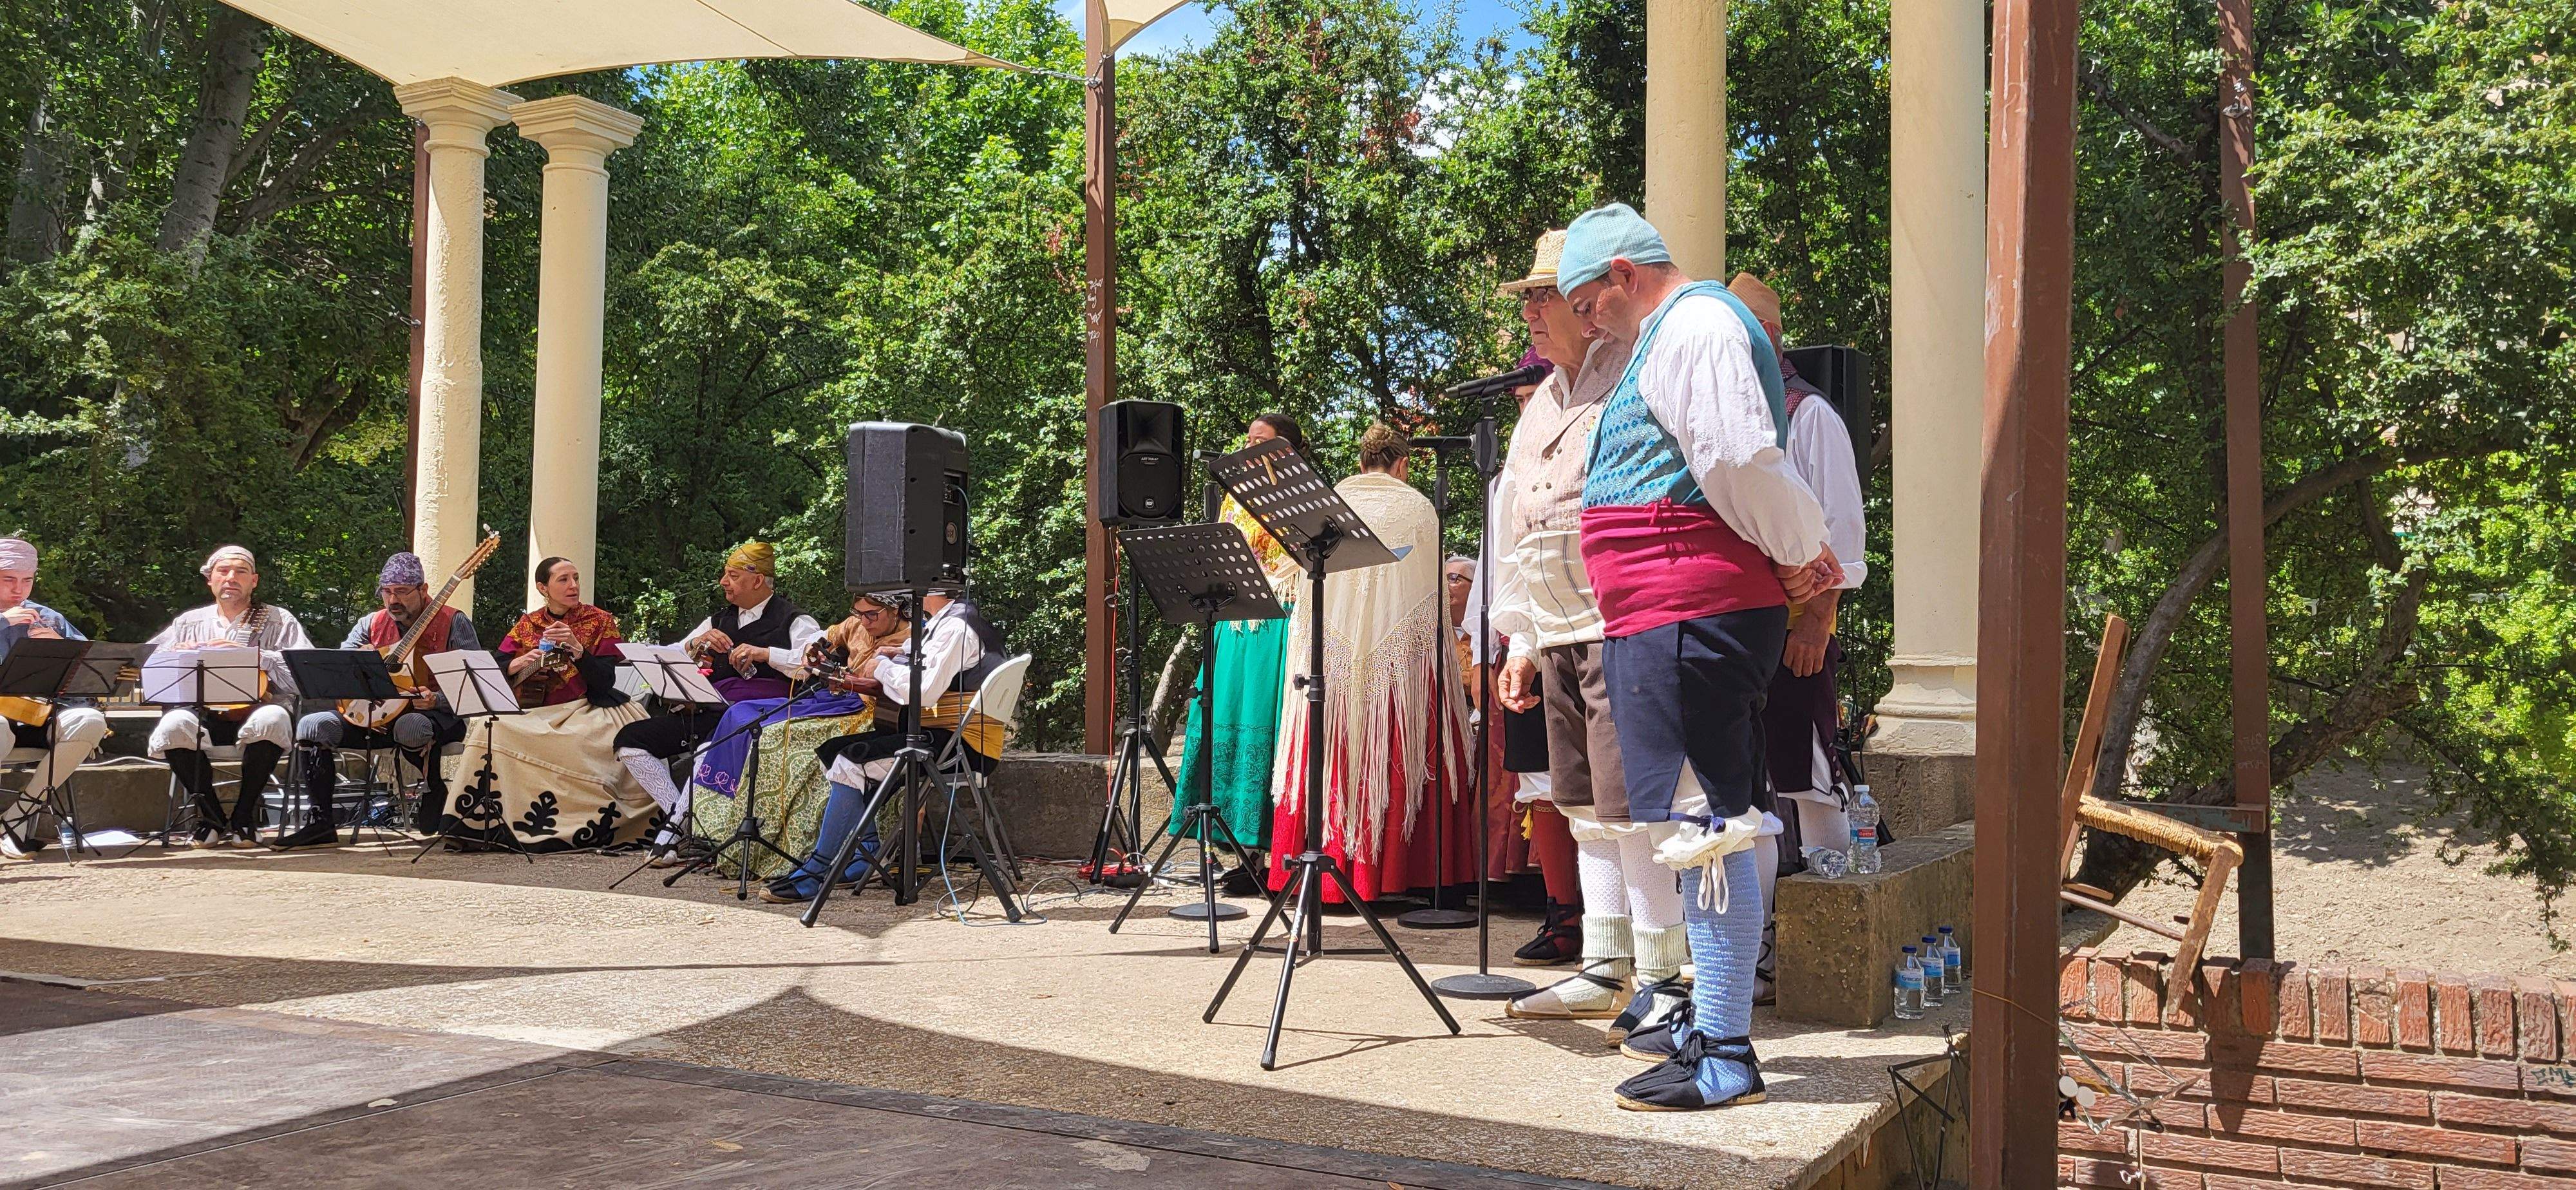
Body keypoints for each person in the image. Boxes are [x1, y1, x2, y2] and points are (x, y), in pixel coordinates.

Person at [1550, 203, 1839, 1112]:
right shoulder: (1670, 334)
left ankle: (1725, 1049)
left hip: (1693, 611)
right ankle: (1709, 1024)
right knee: (1700, 827)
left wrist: (1808, 568)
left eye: (1589, 304)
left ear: (1627, 274)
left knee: (1710, 827)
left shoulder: (1700, 324)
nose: (1587, 324)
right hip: (1667, 614)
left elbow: (1742, 460)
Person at [1489, 229, 1691, 1007]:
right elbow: (1516, 521)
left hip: (1622, 619)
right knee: (1578, 802)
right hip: (1558, 622)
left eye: (1546, 295)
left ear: (1590, 299)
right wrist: (1522, 639)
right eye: (1531, 299)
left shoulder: (1630, 374)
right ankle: (1605, 965)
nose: (1534, 312)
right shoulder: (1540, 400)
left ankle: (1665, 981)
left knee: (1633, 806)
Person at [1728, 270, 1870, 1001]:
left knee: (1808, 783)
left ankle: (1835, 939)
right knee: (1745, 797)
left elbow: (1841, 529)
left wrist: (1817, 620)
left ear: (1770, 336)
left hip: (1793, 636)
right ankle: (1753, 955)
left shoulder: (1808, 415)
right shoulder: (1724, 418)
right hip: (1736, 635)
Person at [1265, 421, 1472, 903]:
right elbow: (1430, 604)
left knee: (1328, 752)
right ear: (1403, 464)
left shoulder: (1331, 501)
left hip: (1330, 663)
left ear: (1361, 462)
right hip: (1400, 670)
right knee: (1399, 750)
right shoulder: (1420, 509)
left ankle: (1322, 873)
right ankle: (1398, 878)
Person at [761, 589, 1009, 903]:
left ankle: (817, 873)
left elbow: (925, 691)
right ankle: (867, 855)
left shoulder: (957, 628)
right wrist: (895, 655)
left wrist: (879, 667)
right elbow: (923, 657)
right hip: (951, 738)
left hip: (960, 748)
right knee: (833, 750)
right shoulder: (948, 621)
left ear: (929, 586)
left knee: (849, 763)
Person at [612, 542, 823, 857]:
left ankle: (671, 834)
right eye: (725, 574)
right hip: (711, 708)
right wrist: (696, 642)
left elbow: (813, 663)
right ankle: (682, 819)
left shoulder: (795, 620)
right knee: (631, 741)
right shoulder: (718, 621)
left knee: (707, 749)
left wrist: (766, 654)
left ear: (758, 580)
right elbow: (670, 653)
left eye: (733, 575)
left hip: (760, 717)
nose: (724, 582)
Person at [1175, 412, 1307, 886]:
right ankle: (1235, 851)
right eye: (1247, 439)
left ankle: (1270, 854)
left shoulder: (1299, 494)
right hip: (1233, 625)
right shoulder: (1232, 498)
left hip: (1276, 621)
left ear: (1287, 450)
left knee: (1264, 724)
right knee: (1221, 718)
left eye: (1261, 441)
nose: (1249, 448)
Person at [687, 592, 902, 879]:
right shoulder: (854, 625)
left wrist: (843, 679)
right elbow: (816, 643)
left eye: (872, 614)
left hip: (872, 714)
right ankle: (727, 831)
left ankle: (798, 848)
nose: (864, 621)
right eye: (859, 613)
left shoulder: (911, 639)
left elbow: (896, 688)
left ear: (896, 610)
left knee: (775, 738)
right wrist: (816, 653)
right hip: (837, 700)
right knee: (745, 719)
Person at [281, 552, 478, 849]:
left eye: (402, 592)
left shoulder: (453, 622)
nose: (393, 600)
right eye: (387, 592)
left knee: (411, 726)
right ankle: (321, 821)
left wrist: (436, 699)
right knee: (312, 726)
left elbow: (473, 684)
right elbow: (339, 671)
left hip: (434, 717)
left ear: (423, 590)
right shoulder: (370, 624)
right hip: (371, 718)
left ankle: (432, 787)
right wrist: (358, 660)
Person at [470, 557, 656, 851]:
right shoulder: (527, 623)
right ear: (543, 587)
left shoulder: (600, 620)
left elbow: (605, 680)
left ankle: (572, 828)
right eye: (563, 580)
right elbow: (499, 662)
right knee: (485, 728)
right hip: (537, 710)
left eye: (576, 578)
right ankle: (492, 823)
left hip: (589, 707)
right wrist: (517, 663)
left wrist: (579, 651)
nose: (573, 585)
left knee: (574, 740)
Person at [146, 545, 313, 847]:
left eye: (241, 572)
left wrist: (259, 657)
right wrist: (175, 657)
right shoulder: (188, 623)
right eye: (223, 571)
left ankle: (245, 817)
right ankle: (210, 817)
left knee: (273, 717)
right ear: (210, 580)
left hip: (258, 711)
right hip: (203, 715)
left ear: (255, 581)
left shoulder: (279, 619)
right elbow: (147, 664)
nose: (231, 578)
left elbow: (306, 675)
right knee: (172, 726)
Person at [0, 538, 111, 861]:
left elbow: (94, 674)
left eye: (27, 581)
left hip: (41, 715)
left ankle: (18, 819)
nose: (18, 590)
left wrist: (63, 649)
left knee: (90, 721)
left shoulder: (48, 617)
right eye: (8, 580)